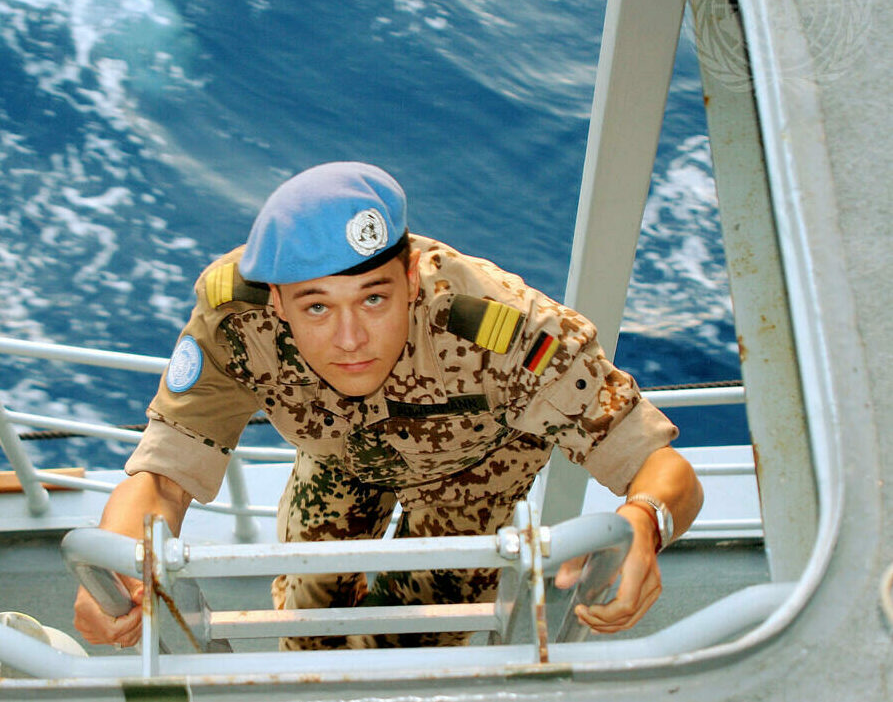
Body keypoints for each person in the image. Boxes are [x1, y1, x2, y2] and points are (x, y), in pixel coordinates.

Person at [73, 161, 703, 650]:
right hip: (339, 460)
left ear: (409, 276)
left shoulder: (510, 331)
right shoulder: (236, 324)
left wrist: (645, 523)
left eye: (374, 299)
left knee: (420, 640)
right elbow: (162, 479)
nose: (350, 340)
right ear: (277, 304)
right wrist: (117, 561)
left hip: (470, 481)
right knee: (308, 622)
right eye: (317, 307)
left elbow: (661, 468)